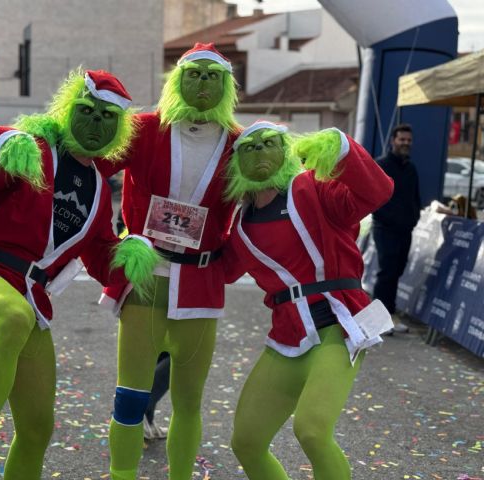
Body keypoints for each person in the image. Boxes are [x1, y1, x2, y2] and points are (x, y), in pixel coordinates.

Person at [0, 69, 159, 480]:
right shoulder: (34, 149)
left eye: (107, 117)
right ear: (68, 108)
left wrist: (131, 254)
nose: (95, 123)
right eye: (87, 111)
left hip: (32, 296)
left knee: (38, 428)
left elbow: (98, 256)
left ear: (119, 130)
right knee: (11, 317)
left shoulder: (97, 188)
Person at [96, 42, 241, 480]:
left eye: (211, 76)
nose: (201, 83)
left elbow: (263, 210)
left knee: (189, 401)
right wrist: (105, 242)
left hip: (200, 285)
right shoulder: (142, 128)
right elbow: (88, 168)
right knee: (130, 397)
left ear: (226, 85)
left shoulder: (240, 144)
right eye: (193, 74)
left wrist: (225, 265)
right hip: (146, 277)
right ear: (177, 80)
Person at [221, 122, 394, 480]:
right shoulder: (241, 224)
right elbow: (219, 270)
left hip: (339, 323)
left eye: (268, 144)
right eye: (249, 148)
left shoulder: (311, 189)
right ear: (236, 162)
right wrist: (157, 250)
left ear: (284, 149)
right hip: (288, 336)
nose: (259, 152)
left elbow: (377, 191)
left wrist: (341, 147)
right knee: (247, 440)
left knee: (313, 430)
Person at [372, 124, 421, 334]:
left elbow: (415, 198)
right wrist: (390, 219)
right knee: (387, 273)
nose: (406, 143)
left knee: (397, 271)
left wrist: (413, 218)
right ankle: (378, 322)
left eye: (409, 140)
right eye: (402, 140)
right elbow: (373, 199)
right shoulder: (381, 165)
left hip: (405, 230)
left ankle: (389, 316)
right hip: (385, 229)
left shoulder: (411, 168)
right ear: (393, 140)